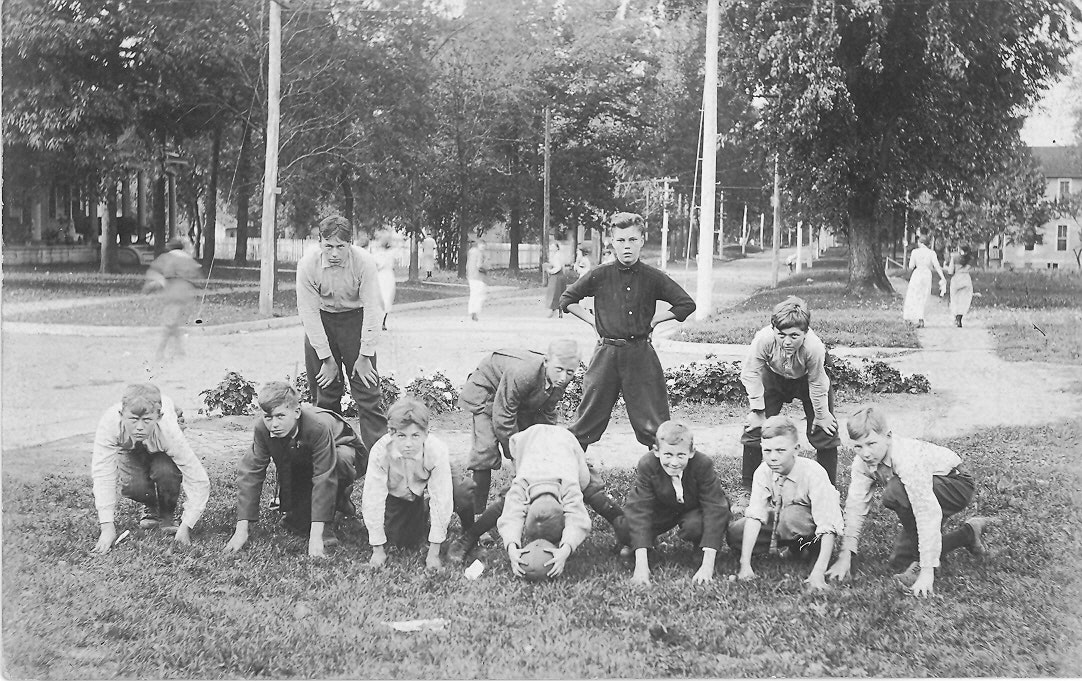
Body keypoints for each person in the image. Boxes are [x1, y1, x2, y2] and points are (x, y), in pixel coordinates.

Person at [825, 405, 999, 597]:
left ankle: (924, 561)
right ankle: (968, 534)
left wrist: (926, 571)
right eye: (858, 446)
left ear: (888, 436)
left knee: (895, 492)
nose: (865, 453)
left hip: (957, 483)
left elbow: (926, 512)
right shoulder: (862, 464)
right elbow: (855, 506)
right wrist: (845, 554)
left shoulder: (906, 459)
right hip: (927, 488)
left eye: (871, 444)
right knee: (899, 560)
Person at [559, 212, 696, 454]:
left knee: (655, 426)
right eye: (621, 240)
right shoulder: (600, 275)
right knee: (585, 423)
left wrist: (655, 320)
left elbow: (686, 304)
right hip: (606, 355)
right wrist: (593, 322)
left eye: (633, 240)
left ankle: (663, 480)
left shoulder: (653, 277)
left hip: (641, 355)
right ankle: (569, 476)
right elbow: (567, 299)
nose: (627, 247)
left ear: (642, 240)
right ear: (612, 242)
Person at [224, 382, 365, 558]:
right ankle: (306, 509)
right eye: (268, 417)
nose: (273, 424)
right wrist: (241, 530)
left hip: (342, 450)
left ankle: (338, 503)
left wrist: (316, 536)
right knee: (297, 524)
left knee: (340, 462)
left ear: (297, 412)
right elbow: (251, 472)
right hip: (304, 454)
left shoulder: (318, 426)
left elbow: (323, 476)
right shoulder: (262, 428)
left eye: (280, 416)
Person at [296, 215, 387, 452]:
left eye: (341, 246)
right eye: (328, 246)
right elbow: (308, 313)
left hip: (355, 321)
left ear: (351, 244)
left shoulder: (364, 262)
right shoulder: (307, 264)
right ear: (320, 243)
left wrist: (365, 355)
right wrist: (326, 358)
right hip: (323, 321)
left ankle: (377, 459)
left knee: (367, 393)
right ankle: (330, 455)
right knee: (325, 394)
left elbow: (374, 309)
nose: (334, 253)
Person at [457, 341, 580, 514]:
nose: (563, 377)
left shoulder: (558, 379)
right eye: (559, 370)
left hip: (515, 398)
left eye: (570, 372)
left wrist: (544, 444)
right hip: (489, 391)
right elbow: (503, 417)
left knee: (535, 448)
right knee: (485, 451)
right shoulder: (524, 372)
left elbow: (547, 413)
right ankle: (478, 515)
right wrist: (516, 455)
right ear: (546, 361)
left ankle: (524, 504)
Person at [91, 383, 210, 553]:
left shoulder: (169, 430)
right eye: (133, 420)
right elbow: (102, 473)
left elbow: (197, 478)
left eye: (146, 420)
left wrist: (187, 526)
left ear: (158, 417)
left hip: (160, 439)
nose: (139, 427)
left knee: (165, 472)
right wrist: (107, 528)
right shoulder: (110, 423)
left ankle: (167, 516)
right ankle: (151, 507)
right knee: (133, 486)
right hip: (129, 445)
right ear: (121, 415)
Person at [727, 415, 842, 591]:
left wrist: (818, 573)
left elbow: (827, 524)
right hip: (783, 521)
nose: (773, 457)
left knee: (792, 517)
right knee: (736, 532)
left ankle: (809, 551)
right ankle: (791, 548)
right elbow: (756, 515)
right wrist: (745, 565)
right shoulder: (763, 471)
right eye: (767, 451)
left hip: (813, 527)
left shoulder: (813, 472)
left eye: (780, 451)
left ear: (796, 449)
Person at [739, 296, 841, 489]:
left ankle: (828, 489)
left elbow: (818, 381)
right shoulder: (764, 339)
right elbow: (751, 372)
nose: (786, 341)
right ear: (773, 330)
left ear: (805, 332)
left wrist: (821, 414)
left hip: (807, 381)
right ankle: (748, 487)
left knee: (825, 428)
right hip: (773, 378)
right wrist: (758, 410)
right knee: (754, 428)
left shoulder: (814, 347)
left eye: (794, 336)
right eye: (781, 334)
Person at [361, 396, 473, 570]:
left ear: (426, 434)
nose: (408, 444)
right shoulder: (379, 452)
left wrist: (434, 553)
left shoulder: (436, 450)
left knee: (461, 492)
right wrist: (377, 550)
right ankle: (423, 508)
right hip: (400, 493)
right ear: (391, 433)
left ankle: (470, 532)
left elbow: (442, 497)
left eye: (415, 435)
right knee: (403, 541)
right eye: (401, 435)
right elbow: (372, 499)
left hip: (429, 482)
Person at [617, 420, 731, 585]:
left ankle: (701, 549)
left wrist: (708, 566)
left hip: (693, 509)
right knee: (625, 526)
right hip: (662, 509)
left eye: (681, 455)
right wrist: (641, 568)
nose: (674, 462)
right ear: (656, 451)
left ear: (691, 452)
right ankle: (643, 547)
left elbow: (715, 508)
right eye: (668, 455)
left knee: (697, 524)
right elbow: (639, 510)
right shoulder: (647, 464)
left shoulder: (703, 464)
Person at [496, 425, 594, 579]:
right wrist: (511, 547)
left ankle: (619, 523)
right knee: (509, 498)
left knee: (587, 484)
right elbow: (511, 516)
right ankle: (471, 535)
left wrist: (566, 548)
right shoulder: (522, 483)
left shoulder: (569, 484)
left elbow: (578, 520)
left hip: (566, 439)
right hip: (528, 438)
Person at [144, 237, 204, 361]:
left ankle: (160, 351)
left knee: (169, 322)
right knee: (173, 321)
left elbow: (162, 274)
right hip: (186, 292)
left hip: (173, 292)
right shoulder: (188, 258)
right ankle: (179, 351)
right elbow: (197, 275)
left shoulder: (168, 258)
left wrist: (151, 286)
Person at [903, 231, 946, 328]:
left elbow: (911, 266)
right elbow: (937, 266)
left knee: (913, 295)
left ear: (920, 243)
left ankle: (910, 317)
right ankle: (921, 319)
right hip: (926, 274)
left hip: (917, 274)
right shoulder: (931, 253)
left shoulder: (915, 252)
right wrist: (942, 277)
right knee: (923, 296)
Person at [372, 228, 397, 331]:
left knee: (386, 297)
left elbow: (378, 265)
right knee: (382, 297)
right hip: (384, 276)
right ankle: (380, 321)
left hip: (384, 276)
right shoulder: (380, 253)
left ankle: (382, 321)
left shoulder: (386, 253)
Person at [947, 244, 975, 327]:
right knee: (964, 300)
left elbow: (950, 271)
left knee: (955, 299)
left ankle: (956, 317)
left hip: (956, 278)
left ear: (959, 249)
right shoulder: (970, 258)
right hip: (966, 278)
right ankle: (960, 318)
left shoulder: (954, 257)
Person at [546, 243, 569, 318]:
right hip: (560, 276)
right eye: (551, 246)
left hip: (557, 276)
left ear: (557, 248)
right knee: (558, 293)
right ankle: (558, 311)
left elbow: (558, 267)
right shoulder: (556, 255)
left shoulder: (556, 256)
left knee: (555, 293)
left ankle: (554, 311)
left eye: (553, 247)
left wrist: (550, 271)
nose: (551, 248)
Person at [466, 238, 487, 322]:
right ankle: (475, 312)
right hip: (478, 277)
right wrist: (485, 270)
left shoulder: (471, 253)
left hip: (471, 276)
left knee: (473, 295)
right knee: (480, 295)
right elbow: (479, 266)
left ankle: (471, 311)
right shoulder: (479, 254)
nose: (484, 247)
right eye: (483, 245)